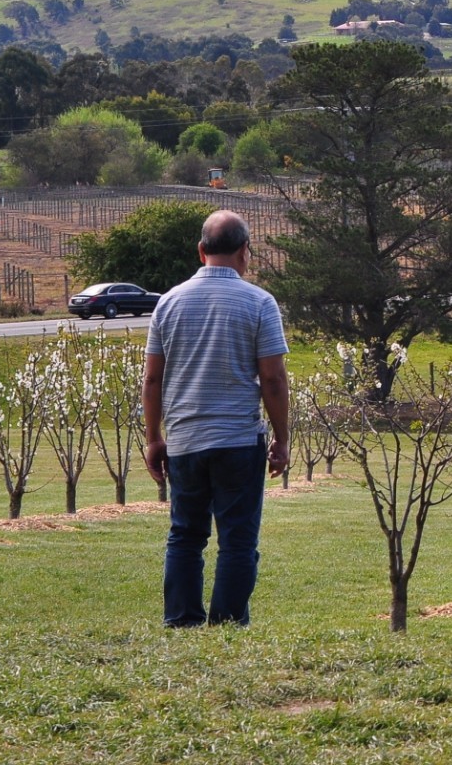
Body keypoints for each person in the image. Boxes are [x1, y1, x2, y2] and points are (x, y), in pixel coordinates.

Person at [142, 210, 289, 628]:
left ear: (201, 251)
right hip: (239, 439)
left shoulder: (168, 303)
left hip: (185, 439)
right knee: (238, 540)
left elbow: (153, 379)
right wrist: (281, 438)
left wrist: (154, 438)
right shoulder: (259, 302)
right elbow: (273, 380)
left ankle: (182, 619)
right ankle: (225, 625)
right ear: (246, 251)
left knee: (186, 536)